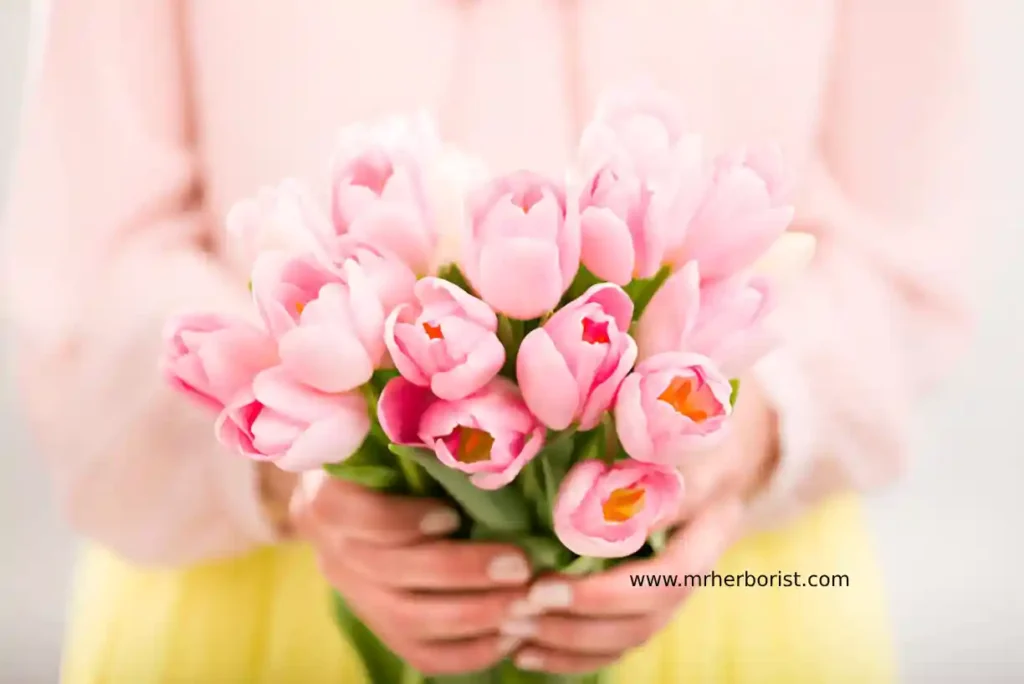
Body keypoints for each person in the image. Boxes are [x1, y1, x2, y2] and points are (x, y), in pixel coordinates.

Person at [2, 0, 974, 681]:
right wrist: (292, 469)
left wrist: (750, 426)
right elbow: (89, 257)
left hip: (720, 595)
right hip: (256, 602)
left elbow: (911, 250)